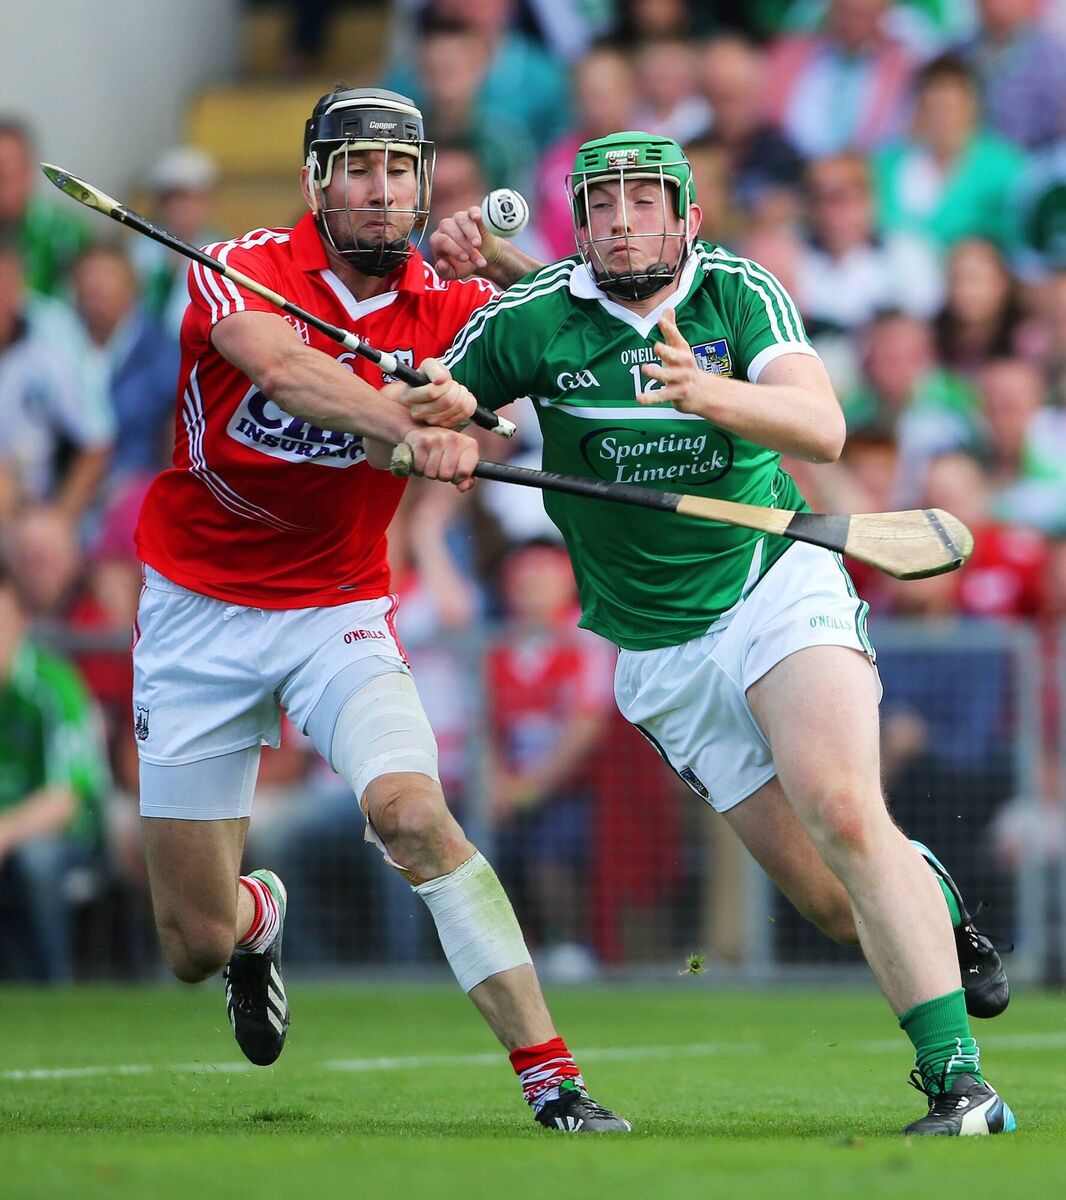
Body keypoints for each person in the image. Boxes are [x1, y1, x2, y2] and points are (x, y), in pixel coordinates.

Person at [420, 130, 1015, 1136]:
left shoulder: (736, 294)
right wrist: (434, 429)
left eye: (644, 200)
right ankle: (938, 903)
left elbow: (821, 426)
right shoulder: (532, 316)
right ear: (579, 221)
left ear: (687, 213)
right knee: (833, 903)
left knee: (841, 804)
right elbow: (442, 403)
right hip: (658, 650)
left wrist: (710, 393)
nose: (622, 219)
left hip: (773, 581)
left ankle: (961, 1086)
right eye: (602, 203)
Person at [130, 86, 628, 1133]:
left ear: (422, 183)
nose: (379, 188)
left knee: (411, 814)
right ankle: (257, 917)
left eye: (399, 170)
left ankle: (553, 1080)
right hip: (194, 608)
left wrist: (504, 280)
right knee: (192, 944)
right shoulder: (240, 267)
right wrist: (404, 420)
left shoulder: (449, 305)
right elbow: (288, 370)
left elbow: (588, 341)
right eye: (356, 167)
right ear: (317, 179)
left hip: (338, 606)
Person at [0, 561, 108, 982]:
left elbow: (66, 798)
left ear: (22, 623)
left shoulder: (53, 685)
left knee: (36, 860)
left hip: (64, 838)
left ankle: (51, 984)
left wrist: (4, 833)